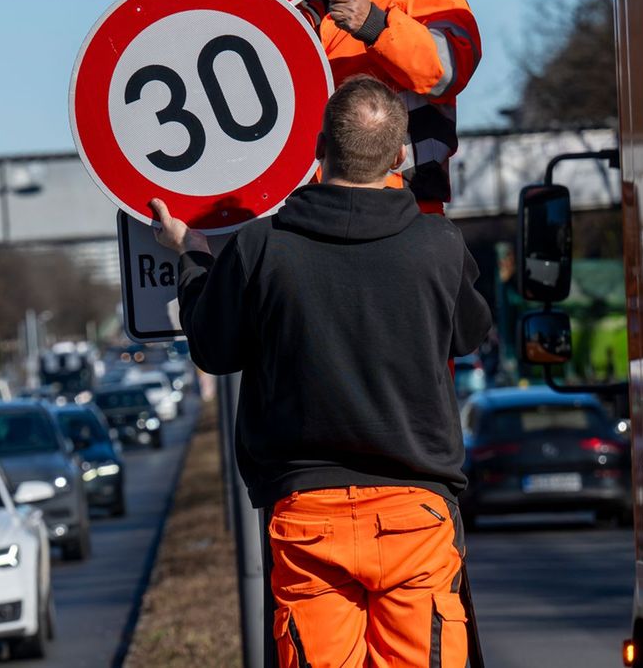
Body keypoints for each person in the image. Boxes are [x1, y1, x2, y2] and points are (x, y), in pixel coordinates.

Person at [151, 76, 492, 668]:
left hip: (308, 516)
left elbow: (213, 347)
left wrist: (192, 257)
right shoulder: (438, 245)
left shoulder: (261, 248)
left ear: (318, 147)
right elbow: (470, 332)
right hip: (416, 513)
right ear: (399, 156)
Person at [304, 0, 482, 214]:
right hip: (311, 209)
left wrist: (375, 26)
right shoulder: (304, 10)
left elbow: (450, 67)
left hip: (403, 209)